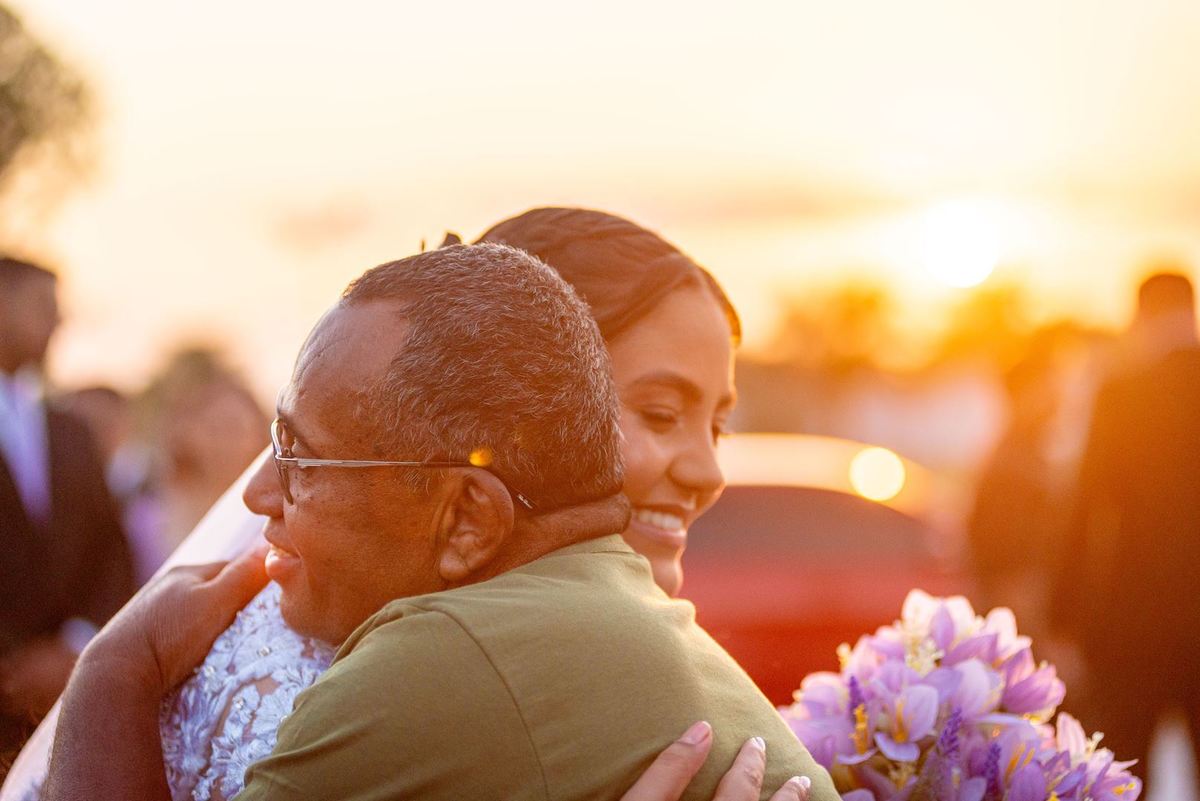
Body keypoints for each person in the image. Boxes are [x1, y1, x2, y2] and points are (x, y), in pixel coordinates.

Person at [41, 243, 836, 800]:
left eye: (301, 456)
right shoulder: (622, 606)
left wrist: (118, 666)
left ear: (466, 520)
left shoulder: (439, 658)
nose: (258, 495)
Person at [1051, 271, 1200, 791]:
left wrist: (1062, 616)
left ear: (1141, 316)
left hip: (1135, 622)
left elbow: (1087, 510)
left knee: (1124, 775)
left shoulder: (1123, 394)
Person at [0, 258, 134, 764]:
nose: (59, 322)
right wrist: (13, 666)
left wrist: (76, 646)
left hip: (66, 701)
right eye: (42, 307)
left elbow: (110, 551)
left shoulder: (72, 432)